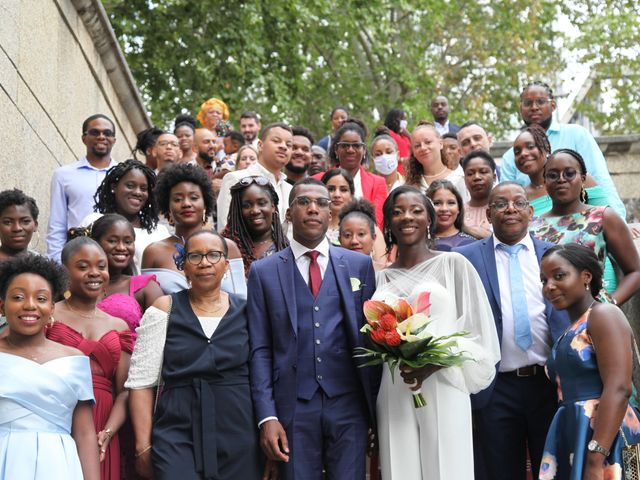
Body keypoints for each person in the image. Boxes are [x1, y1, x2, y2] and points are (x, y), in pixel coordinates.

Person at [247, 178, 379, 479]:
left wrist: (375, 412)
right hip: (293, 406)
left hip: (349, 404)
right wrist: (267, 415)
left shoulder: (358, 265)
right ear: (289, 213)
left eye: (321, 203)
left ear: (330, 214)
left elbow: (372, 342)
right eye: (303, 202)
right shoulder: (263, 271)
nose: (313, 209)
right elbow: (260, 349)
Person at [374, 185, 499, 479]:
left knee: (448, 469)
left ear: (429, 219)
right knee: (398, 468)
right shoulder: (379, 277)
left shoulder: (453, 264)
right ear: (388, 222)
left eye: (416, 210)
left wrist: (434, 363)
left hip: (444, 382)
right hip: (395, 386)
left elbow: (479, 335)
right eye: (398, 211)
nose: (407, 217)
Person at [453, 182, 570, 480]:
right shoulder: (465, 259)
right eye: (501, 204)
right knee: (500, 472)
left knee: (555, 471)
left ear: (531, 212)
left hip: (548, 384)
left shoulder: (554, 256)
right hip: (495, 387)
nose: (510, 209)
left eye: (518, 203)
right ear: (488, 214)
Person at [127, 230, 265, 479]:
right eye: (195, 256)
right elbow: (141, 383)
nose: (205, 262)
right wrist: (143, 446)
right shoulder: (164, 309)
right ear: (183, 267)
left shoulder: (248, 311)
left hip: (239, 431)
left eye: (213, 255)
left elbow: (263, 375)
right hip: (177, 431)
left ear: (226, 265)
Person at [539, 243, 640, 479]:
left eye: (559, 276)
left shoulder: (603, 314)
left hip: (605, 436)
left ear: (586, 276)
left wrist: (596, 457)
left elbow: (619, 387)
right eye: (544, 280)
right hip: (574, 430)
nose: (549, 286)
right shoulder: (571, 329)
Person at [0, 255, 100, 480]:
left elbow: (84, 433)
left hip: (58, 464)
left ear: (52, 308)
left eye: (41, 298)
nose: (30, 305)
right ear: (2, 306)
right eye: (18, 297)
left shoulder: (74, 360)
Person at [46, 237, 132, 480]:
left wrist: (107, 432)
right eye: (83, 267)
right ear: (65, 272)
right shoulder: (48, 315)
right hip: (58, 419)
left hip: (104, 424)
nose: (94, 273)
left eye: (101, 266)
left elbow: (125, 390)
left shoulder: (119, 325)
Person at [501, 81, 626, 219]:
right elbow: (506, 200)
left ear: (553, 105)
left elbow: (601, 179)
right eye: (528, 103)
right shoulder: (509, 157)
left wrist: (619, 222)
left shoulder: (577, 135)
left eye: (541, 101)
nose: (534, 107)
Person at [531, 149, 640, 301]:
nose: (561, 179)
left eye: (569, 173)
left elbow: (635, 271)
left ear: (582, 179)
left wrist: (609, 306)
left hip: (593, 316)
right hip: (547, 316)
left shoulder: (603, 217)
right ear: (545, 182)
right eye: (553, 175)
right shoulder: (533, 225)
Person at [142, 163, 246, 297]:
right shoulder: (153, 252)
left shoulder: (228, 247)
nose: (186, 204)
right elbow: (149, 306)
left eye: (194, 198)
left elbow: (241, 300)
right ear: (168, 207)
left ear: (205, 204)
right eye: (178, 199)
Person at [47, 114, 118, 262]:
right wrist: (57, 262)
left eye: (107, 133)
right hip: (76, 255)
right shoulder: (63, 175)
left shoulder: (123, 176)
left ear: (114, 140)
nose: (101, 137)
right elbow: (57, 224)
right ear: (84, 138)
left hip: (116, 255)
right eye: (94, 132)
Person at [84, 159, 169, 273]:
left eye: (143, 189)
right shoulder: (93, 221)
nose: (137, 192)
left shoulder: (159, 232)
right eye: (130, 186)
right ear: (114, 187)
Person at [89, 214, 163, 334]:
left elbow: (161, 335)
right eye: (113, 241)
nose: (122, 247)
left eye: (128, 242)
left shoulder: (146, 287)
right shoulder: (79, 285)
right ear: (95, 243)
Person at [514, 126, 607, 216]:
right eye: (517, 152)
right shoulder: (520, 197)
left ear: (546, 148)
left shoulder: (578, 179)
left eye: (530, 147)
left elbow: (606, 217)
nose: (523, 154)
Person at [217, 123, 294, 232]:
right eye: (276, 141)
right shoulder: (236, 179)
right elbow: (226, 229)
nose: (283, 146)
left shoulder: (290, 190)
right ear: (260, 145)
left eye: (289, 144)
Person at [313, 120, 387, 229]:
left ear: (364, 150)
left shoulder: (378, 183)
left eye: (356, 145)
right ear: (336, 150)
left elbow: (377, 224)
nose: (350, 150)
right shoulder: (316, 181)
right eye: (345, 145)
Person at [221, 176, 289, 277]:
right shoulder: (223, 247)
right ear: (238, 210)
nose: (255, 211)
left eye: (262, 203)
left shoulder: (286, 249)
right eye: (247, 205)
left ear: (273, 206)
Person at [405, 122, 470, 202]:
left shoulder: (458, 179)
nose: (423, 148)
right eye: (417, 146)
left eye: (428, 142)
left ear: (441, 144)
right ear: (413, 152)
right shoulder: (408, 185)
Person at [338, 198, 388, 270]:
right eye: (347, 235)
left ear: (373, 238)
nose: (354, 241)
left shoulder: (384, 274)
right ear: (339, 240)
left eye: (361, 234)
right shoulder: (330, 272)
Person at [426, 179, 476, 251]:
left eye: (451, 203)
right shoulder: (421, 244)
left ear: (459, 208)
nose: (444, 209)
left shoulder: (472, 243)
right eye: (437, 203)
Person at [461, 150, 496, 238]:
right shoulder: (457, 213)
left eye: (483, 172)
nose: (477, 177)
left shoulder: (505, 209)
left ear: (494, 177)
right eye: (470, 174)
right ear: (464, 179)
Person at [0, 188, 40, 262]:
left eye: (25, 221)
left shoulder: (41, 263)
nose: (17, 228)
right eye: (8, 222)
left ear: (35, 225)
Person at [322, 168, 355, 244]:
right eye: (331, 189)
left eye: (343, 190)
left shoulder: (365, 225)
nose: (337, 195)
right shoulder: (312, 226)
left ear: (351, 195)